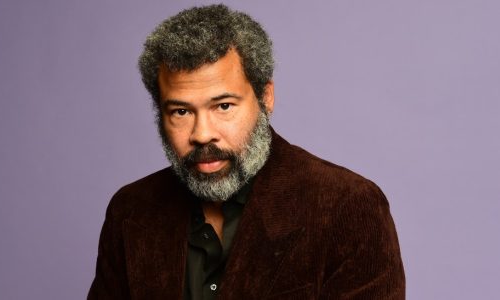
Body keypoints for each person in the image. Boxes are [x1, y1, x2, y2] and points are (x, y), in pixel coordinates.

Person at [88, 4, 405, 299]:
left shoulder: (347, 207)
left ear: (265, 97)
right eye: (181, 112)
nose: (202, 134)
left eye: (223, 106)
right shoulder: (130, 210)